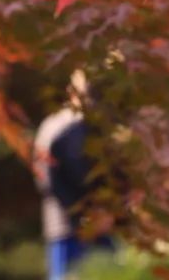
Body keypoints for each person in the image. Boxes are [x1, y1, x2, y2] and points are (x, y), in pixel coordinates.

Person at [32, 70, 116, 280]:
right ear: (72, 92)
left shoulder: (105, 128)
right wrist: (83, 216)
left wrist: (108, 213)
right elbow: (46, 177)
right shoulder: (54, 128)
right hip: (65, 227)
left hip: (106, 228)